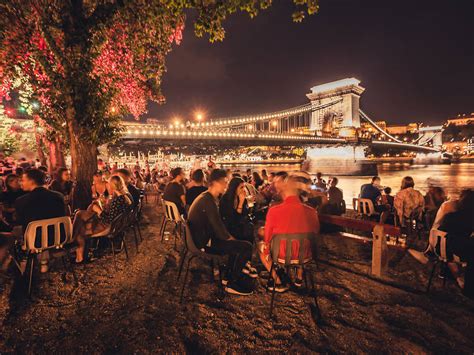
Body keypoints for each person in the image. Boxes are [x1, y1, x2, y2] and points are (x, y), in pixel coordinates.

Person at [187, 169, 255, 296]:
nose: (226, 184)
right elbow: (221, 232)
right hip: (204, 243)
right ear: (215, 183)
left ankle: (229, 276)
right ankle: (232, 283)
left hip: (202, 238)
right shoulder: (209, 201)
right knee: (245, 246)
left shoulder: (207, 197)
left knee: (238, 242)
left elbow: (219, 228)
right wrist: (235, 240)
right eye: (225, 181)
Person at [258, 173, 320, 292]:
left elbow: (267, 238)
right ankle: (299, 276)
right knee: (303, 239)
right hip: (305, 255)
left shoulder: (274, 211)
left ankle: (278, 281)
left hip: (281, 255)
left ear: (283, 193)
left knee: (262, 246)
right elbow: (315, 232)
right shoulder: (311, 211)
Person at [14, 169, 66, 273]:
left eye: (23, 180)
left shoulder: (21, 201)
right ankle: (44, 261)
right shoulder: (58, 196)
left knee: (15, 231)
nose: (21, 183)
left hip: (34, 241)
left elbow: (19, 221)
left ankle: (19, 263)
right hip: (58, 237)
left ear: (32, 181)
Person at [73, 175, 132, 263]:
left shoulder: (118, 200)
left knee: (80, 228)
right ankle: (79, 248)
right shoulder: (125, 197)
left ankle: (78, 254)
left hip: (107, 227)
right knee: (80, 214)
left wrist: (99, 211)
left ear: (113, 186)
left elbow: (109, 220)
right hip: (113, 225)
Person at [220, 177, 254, 243]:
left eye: (244, 187)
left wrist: (248, 203)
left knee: (250, 226)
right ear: (234, 188)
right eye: (241, 187)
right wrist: (240, 203)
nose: (243, 189)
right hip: (229, 227)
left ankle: (249, 248)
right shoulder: (225, 199)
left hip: (240, 224)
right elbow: (232, 219)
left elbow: (245, 214)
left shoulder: (241, 197)